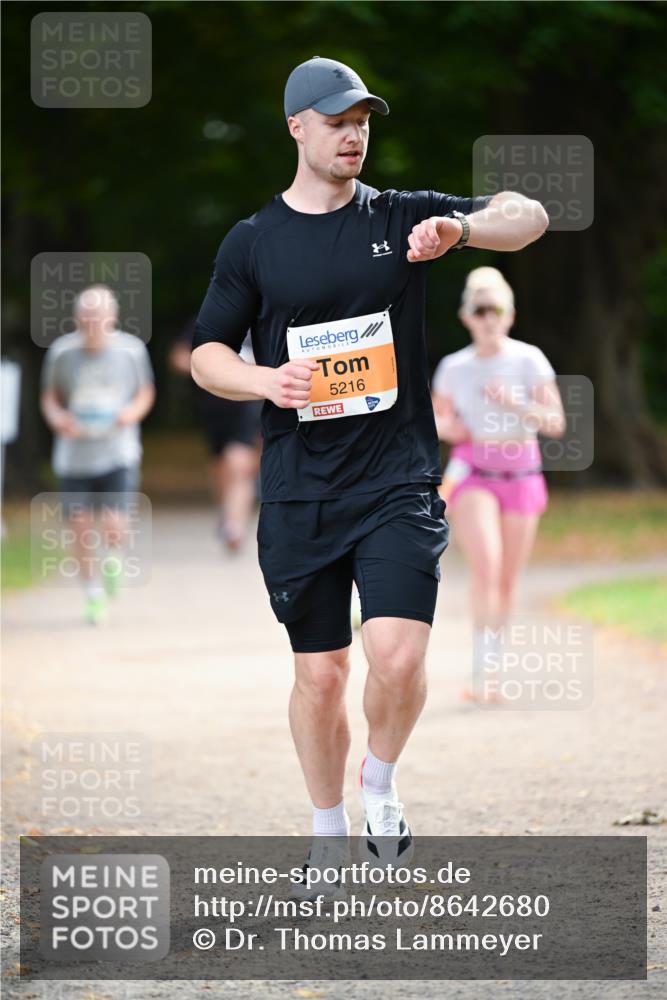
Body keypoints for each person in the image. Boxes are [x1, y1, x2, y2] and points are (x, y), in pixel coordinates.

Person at [190, 56, 548, 889]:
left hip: (397, 480)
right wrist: (260, 380)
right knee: (320, 675)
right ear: (296, 127)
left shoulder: (404, 216)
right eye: (336, 119)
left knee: (393, 656)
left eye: (362, 121)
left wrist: (460, 231)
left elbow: (525, 216)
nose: (353, 133)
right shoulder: (253, 241)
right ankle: (325, 831)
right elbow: (205, 351)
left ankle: (379, 783)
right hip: (298, 487)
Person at [431, 267, 565, 702]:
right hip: (474, 474)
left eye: (496, 309)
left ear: (510, 314)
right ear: (466, 315)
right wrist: (451, 428)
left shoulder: (529, 360)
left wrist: (516, 403)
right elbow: (436, 419)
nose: (488, 318)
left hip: (522, 471)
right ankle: (481, 672)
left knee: (507, 578)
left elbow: (556, 423)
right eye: (479, 309)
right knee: (486, 567)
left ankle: (496, 665)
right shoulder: (454, 367)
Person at [40, 284, 155, 624]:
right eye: (87, 316)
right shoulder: (61, 352)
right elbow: (50, 397)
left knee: (114, 524)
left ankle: (114, 559)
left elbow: (145, 392)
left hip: (118, 451)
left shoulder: (131, 350)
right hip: (74, 457)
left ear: (112, 317)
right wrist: (58, 419)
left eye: (99, 315)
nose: (92, 322)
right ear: (77, 319)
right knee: (79, 527)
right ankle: (92, 595)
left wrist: (129, 414)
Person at [169, 318, 261, 551]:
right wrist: (209, 366)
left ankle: (234, 526)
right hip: (214, 408)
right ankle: (227, 512)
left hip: (250, 407)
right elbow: (178, 357)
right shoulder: (208, 318)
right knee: (219, 466)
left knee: (239, 463)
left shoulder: (264, 319)